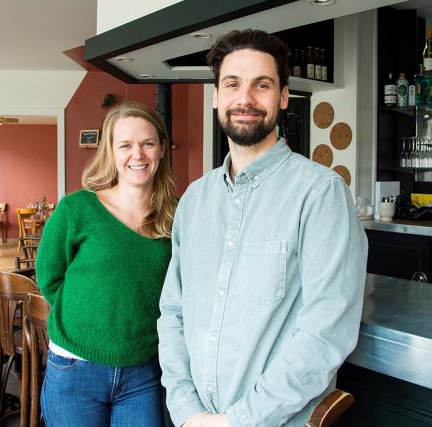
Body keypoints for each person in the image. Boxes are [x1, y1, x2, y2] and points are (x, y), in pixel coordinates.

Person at [157, 30, 368, 427]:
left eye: (262, 85)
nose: (245, 99)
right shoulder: (194, 201)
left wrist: (237, 421)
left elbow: (325, 334)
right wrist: (186, 411)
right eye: (232, 84)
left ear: (283, 97)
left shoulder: (321, 195)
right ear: (216, 96)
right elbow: (173, 314)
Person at [36, 101, 177, 426]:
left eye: (147, 143)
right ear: (110, 152)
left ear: (161, 150)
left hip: (144, 370)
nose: (137, 154)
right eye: (125, 145)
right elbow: (49, 278)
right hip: (75, 368)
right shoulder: (76, 209)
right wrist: (90, 320)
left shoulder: (176, 216)